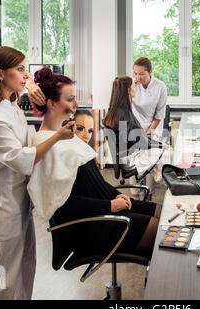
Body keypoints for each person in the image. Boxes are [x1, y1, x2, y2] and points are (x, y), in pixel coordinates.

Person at [0, 47, 75, 300]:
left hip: (19, 199)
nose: (25, 74)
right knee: (0, 277)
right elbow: (21, 158)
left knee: (24, 267)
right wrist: (59, 136)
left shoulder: (8, 104)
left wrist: (28, 83)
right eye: (19, 69)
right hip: (2, 206)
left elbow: (28, 141)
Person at [27, 68, 161, 255]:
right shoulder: (45, 144)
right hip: (93, 225)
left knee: (164, 214)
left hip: (106, 207)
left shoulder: (65, 135)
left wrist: (115, 194)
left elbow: (91, 183)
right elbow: (62, 205)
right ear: (52, 103)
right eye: (70, 99)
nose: (76, 105)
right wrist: (110, 205)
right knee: (164, 232)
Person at [103, 76, 171, 200]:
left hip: (127, 155)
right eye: (133, 86)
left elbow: (139, 139)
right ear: (128, 90)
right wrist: (160, 144)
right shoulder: (125, 114)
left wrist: (156, 143)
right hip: (131, 157)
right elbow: (142, 142)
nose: (136, 87)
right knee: (169, 155)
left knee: (162, 156)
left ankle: (168, 186)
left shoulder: (115, 111)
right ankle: (174, 188)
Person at [132, 57, 168, 139]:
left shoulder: (160, 87)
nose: (138, 77)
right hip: (136, 128)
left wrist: (148, 133)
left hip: (153, 129)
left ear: (150, 71)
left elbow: (159, 115)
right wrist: (132, 85)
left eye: (141, 74)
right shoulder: (132, 85)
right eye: (135, 73)